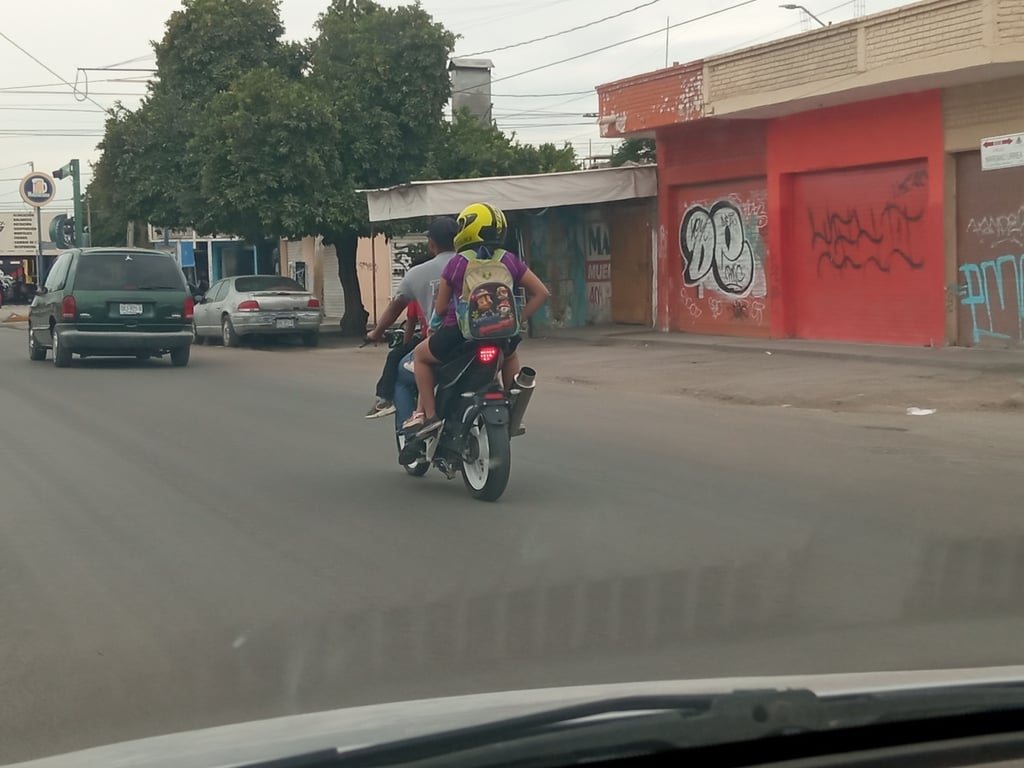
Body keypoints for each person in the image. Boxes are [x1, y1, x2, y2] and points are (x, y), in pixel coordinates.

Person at [404, 202, 550, 436]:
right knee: (511, 353)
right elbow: (542, 293)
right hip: (502, 333)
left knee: (421, 357)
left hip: (460, 335)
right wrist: (517, 319)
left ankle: (430, 417)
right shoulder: (510, 260)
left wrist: (432, 329)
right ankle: (514, 410)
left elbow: (440, 308)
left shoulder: (457, 263)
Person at [364, 216, 460, 425]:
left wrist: (377, 332)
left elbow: (395, 308)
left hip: (439, 342)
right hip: (477, 336)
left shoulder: (417, 274)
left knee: (401, 371)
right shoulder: (472, 264)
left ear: (431, 243)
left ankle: (410, 428)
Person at [365, 295, 425, 418]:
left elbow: (410, 323)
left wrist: (404, 347)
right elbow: (411, 323)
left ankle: (385, 398)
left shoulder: (415, 294)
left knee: (394, 358)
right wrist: (406, 346)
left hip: (428, 338)